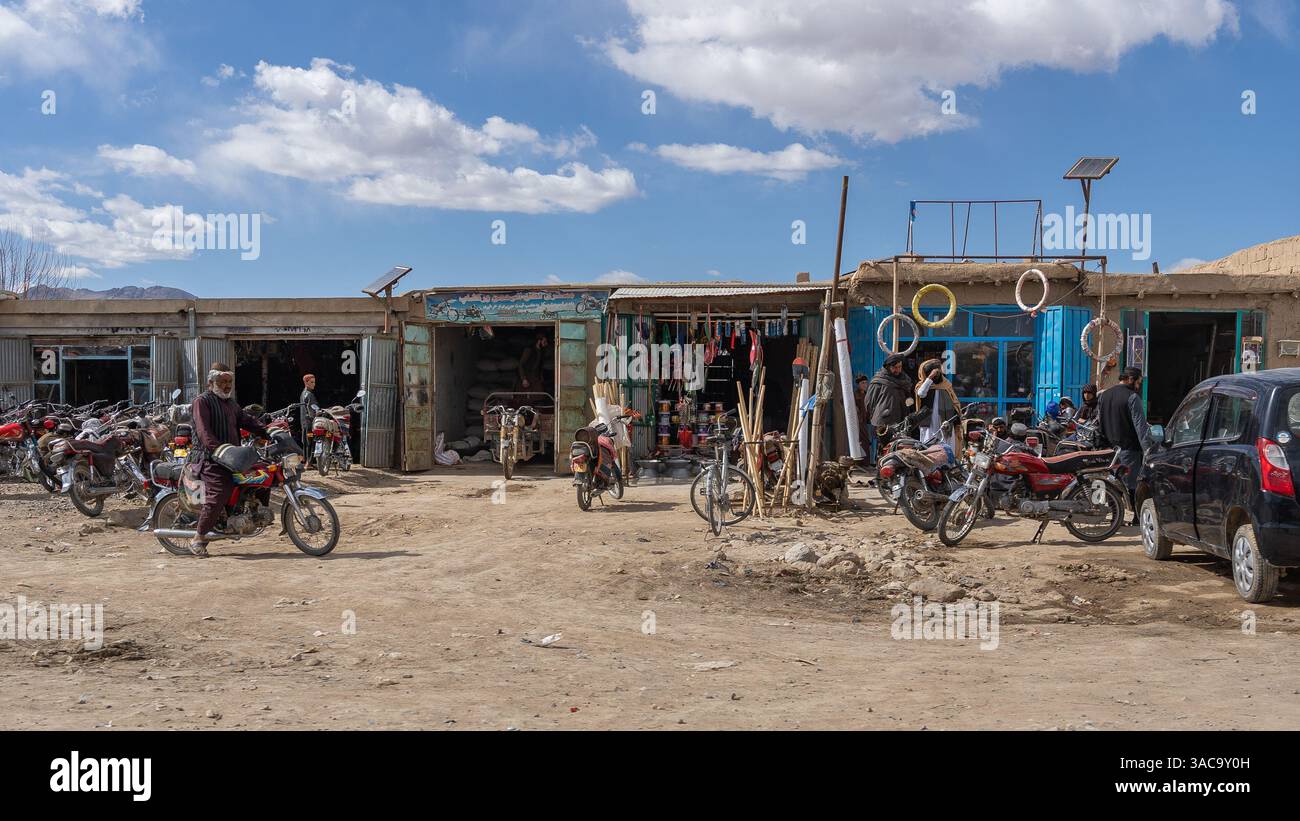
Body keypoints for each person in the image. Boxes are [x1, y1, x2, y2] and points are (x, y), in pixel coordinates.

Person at [190, 363, 268, 557]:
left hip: (232, 458)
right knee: (219, 491)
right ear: (211, 382)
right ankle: (198, 538)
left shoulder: (231, 404)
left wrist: (269, 431)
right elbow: (203, 431)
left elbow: (248, 421)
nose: (226, 385)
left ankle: (249, 514)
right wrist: (217, 449)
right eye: (222, 381)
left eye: (229, 382)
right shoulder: (202, 401)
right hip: (209, 459)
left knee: (263, 474)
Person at [1098, 367, 1155, 525]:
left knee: (1112, 483)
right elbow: (1140, 427)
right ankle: (1137, 518)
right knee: (1132, 485)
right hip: (1128, 448)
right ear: (1130, 379)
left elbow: (1099, 422)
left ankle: (1116, 517)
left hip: (1109, 449)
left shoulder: (1104, 395)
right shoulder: (1132, 397)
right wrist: (1148, 450)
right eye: (1138, 382)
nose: (1138, 386)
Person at [863, 354, 913, 457]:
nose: (898, 370)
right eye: (895, 367)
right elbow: (869, 401)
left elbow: (908, 398)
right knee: (884, 448)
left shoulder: (905, 380)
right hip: (884, 421)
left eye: (900, 367)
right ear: (888, 367)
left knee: (900, 447)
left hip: (901, 419)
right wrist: (872, 417)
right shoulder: (879, 381)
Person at [912, 358, 961, 455]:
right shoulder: (923, 385)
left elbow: (955, 402)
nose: (937, 376)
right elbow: (921, 393)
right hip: (929, 422)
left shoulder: (946, 384)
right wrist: (930, 378)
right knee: (928, 447)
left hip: (946, 421)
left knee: (947, 447)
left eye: (938, 373)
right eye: (934, 373)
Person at [299, 373, 320, 465]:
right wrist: (317, 413)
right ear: (306, 383)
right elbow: (312, 409)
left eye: (314, 382)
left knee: (306, 441)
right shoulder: (310, 395)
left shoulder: (303, 393)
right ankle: (309, 462)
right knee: (310, 442)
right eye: (312, 382)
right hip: (310, 422)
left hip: (303, 422)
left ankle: (305, 459)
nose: (314, 384)